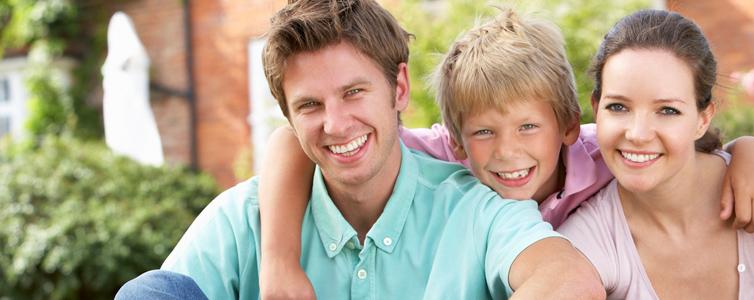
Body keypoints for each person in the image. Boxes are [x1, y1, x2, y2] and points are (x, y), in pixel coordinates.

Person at [255, 8, 754, 298]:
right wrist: (278, 264)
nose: (507, 152)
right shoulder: (446, 154)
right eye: (485, 133)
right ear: (460, 140)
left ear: (564, 124)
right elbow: (295, 140)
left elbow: (675, 141)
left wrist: (752, 151)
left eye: (528, 126)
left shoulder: (603, 149)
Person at [118, 0, 603, 298]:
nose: (336, 124)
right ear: (288, 117)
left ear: (399, 89)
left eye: (354, 92)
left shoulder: (478, 208)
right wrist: (278, 261)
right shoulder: (247, 220)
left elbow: (569, 280)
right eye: (309, 104)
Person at [556, 9, 754, 299]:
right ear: (596, 109)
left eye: (668, 110)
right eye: (618, 107)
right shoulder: (588, 240)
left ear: (703, 118)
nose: (638, 134)